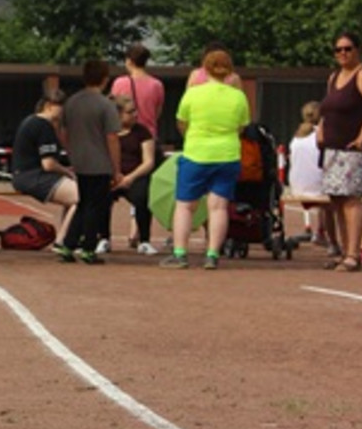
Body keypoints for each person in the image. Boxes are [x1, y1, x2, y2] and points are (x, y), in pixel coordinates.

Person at [160, 49, 249, 270]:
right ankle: (212, 254)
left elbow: (181, 122)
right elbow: (242, 126)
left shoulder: (193, 93)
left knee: (185, 206)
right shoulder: (238, 96)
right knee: (218, 207)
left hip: (196, 153)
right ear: (230, 70)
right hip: (227, 154)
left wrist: (192, 136)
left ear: (205, 68)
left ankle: (180, 253)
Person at [317, 32, 362, 272]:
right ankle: (344, 251)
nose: (343, 53)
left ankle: (354, 254)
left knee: (351, 199)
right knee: (337, 199)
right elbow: (328, 108)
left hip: (354, 148)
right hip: (333, 148)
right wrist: (321, 130)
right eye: (338, 49)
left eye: (348, 48)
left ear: (357, 50)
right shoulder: (334, 77)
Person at [56, 60, 122, 264]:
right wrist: (116, 168)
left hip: (80, 160)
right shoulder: (105, 105)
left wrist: (71, 151)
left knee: (83, 203)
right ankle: (88, 248)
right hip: (100, 162)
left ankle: (68, 244)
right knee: (96, 206)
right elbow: (112, 137)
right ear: (105, 79)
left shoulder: (72, 102)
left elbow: (63, 131)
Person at [10, 88, 79, 245]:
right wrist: (67, 172)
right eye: (62, 107)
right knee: (83, 197)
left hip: (25, 174)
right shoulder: (43, 125)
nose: (64, 112)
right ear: (49, 105)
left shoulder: (31, 121)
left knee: (73, 198)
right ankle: (64, 240)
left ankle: (67, 237)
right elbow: (48, 164)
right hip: (33, 176)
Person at [286, 100, 338, 254]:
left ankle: (320, 231)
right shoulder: (324, 135)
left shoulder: (296, 137)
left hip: (296, 186)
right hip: (318, 187)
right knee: (336, 203)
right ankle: (333, 243)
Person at [108, 95, 157, 255]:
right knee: (99, 196)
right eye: (130, 112)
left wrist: (130, 178)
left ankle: (144, 240)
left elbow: (148, 161)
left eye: (136, 111)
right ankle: (103, 238)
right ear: (118, 115)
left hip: (135, 176)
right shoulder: (108, 132)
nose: (135, 114)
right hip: (113, 176)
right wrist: (116, 175)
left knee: (142, 196)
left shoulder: (142, 131)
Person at [110, 43, 165, 139]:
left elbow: (113, 111)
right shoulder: (157, 85)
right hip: (149, 135)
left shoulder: (119, 83)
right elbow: (157, 113)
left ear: (129, 61)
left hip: (125, 135)